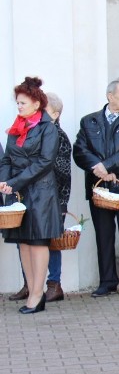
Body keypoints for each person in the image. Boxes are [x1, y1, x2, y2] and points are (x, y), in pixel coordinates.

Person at [73, 80, 119, 298]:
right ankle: (107, 282)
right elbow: (80, 150)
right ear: (110, 96)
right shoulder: (89, 121)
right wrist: (99, 169)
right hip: (99, 188)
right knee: (104, 236)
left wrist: (108, 166)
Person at [0, 77, 62, 313]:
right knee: (23, 243)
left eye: (23, 102)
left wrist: (14, 182)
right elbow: (6, 158)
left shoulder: (48, 128)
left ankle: (38, 294)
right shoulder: (15, 128)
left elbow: (45, 163)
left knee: (37, 242)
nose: (19, 106)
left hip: (41, 194)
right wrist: (5, 182)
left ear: (37, 104)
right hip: (18, 193)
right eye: (17, 103)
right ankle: (32, 290)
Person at [45, 92, 71, 303]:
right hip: (36, 196)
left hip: (54, 198)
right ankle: (29, 284)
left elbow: (62, 171)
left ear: (55, 113)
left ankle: (54, 285)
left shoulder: (59, 136)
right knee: (27, 242)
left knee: (52, 242)